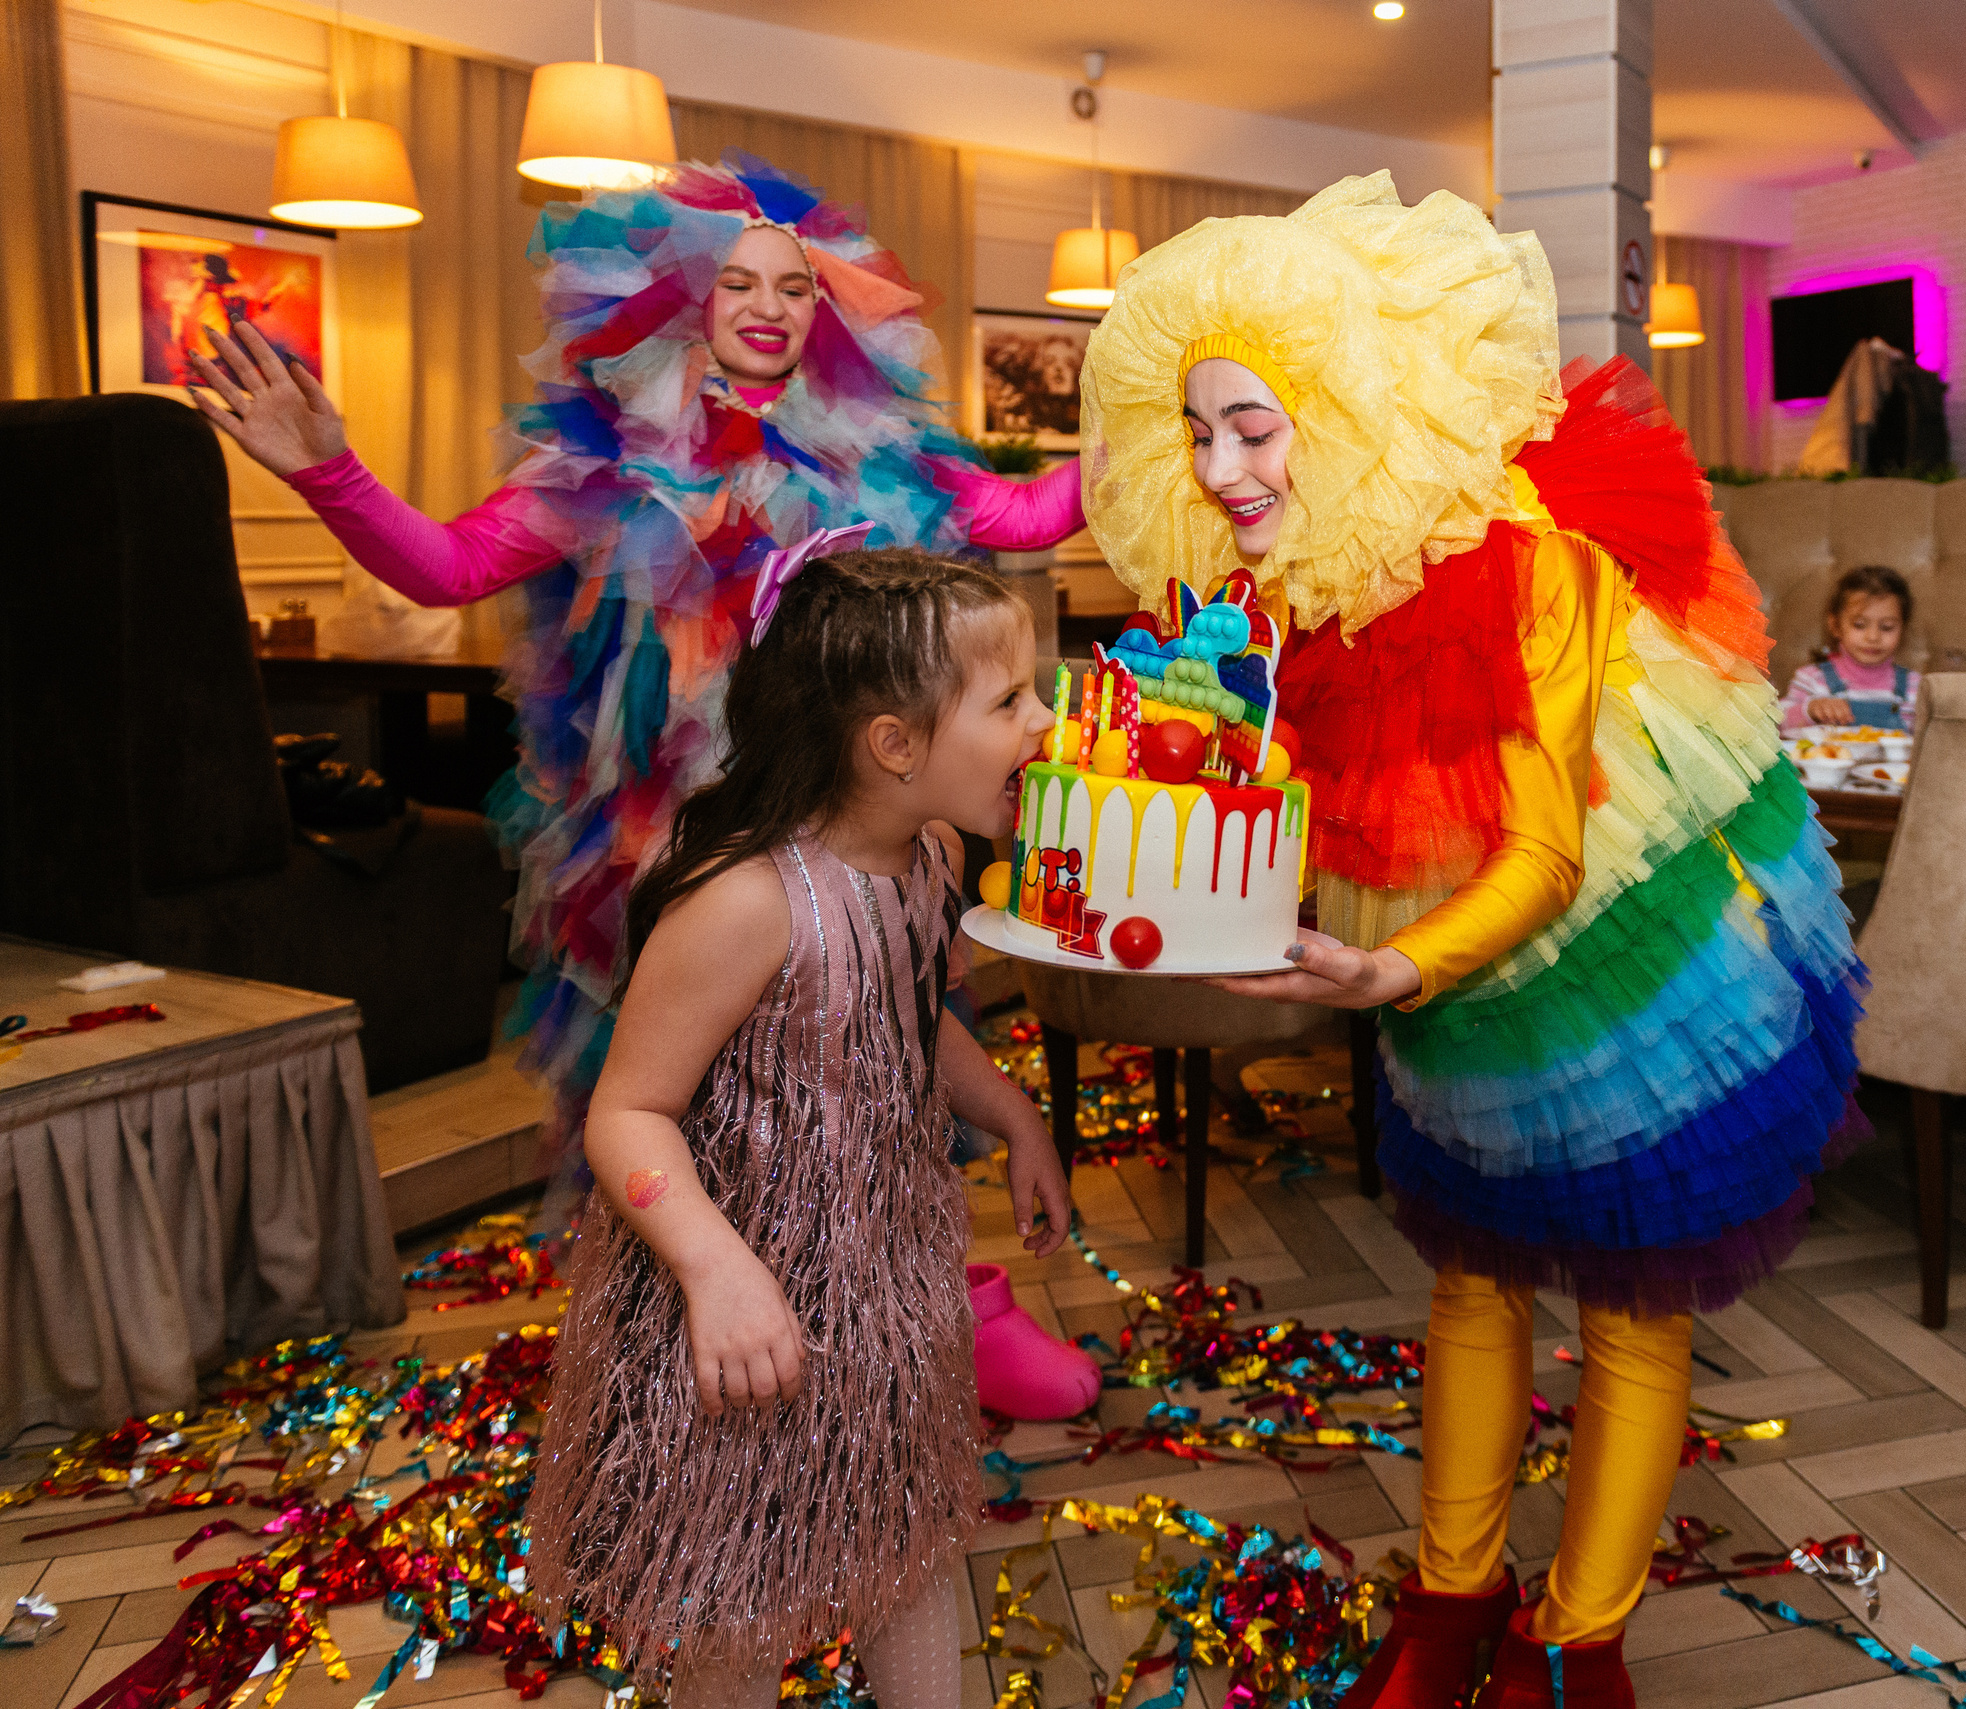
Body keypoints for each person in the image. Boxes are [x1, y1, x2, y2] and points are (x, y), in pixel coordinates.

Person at [1078, 175, 1863, 1709]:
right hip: (1439, 965)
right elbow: (1287, 786)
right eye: (1202, 430)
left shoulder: (1529, 567)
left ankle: (1579, 1645)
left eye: (1259, 425)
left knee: (1631, 1303)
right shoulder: (1295, 588)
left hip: (1637, 961)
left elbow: (1550, 851)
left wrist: (1393, 969)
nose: (1226, 466)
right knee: (1473, 1280)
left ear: (1346, 410)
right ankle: (1452, 1607)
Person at [188, 151, 1082, 1199]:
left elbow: (1023, 515)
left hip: (852, 811)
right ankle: (695, 1285)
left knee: (879, 1043)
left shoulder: (880, 449)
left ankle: (900, 1282)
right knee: (690, 1081)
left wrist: (1157, 443)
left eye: (795, 286)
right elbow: (451, 567)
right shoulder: (601, 460)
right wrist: (329, 473)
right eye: (736, 282)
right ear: (681, 298)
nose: (768, 306)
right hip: (675, 826)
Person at [525, 544, 1072, 1709]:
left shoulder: (928, 857)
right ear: (895, 743)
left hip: (888, 1290)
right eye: (1010, 698)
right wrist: (717, 1269)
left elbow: (909, 1015)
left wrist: (1014, 1116)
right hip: (747, 1323)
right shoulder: (748, 900)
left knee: (906, 1542)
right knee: (744, 1586)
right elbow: (628, 1112)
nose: (1042, 721)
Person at [1774, 564, 1919, 730]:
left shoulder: (1915, 686)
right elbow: (1776, 723)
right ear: (1835, 626)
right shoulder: (1812, 679)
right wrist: (1810, 710)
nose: (1873, 637)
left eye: (1887, 627)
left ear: (1903, 629)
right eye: (1859, 625)